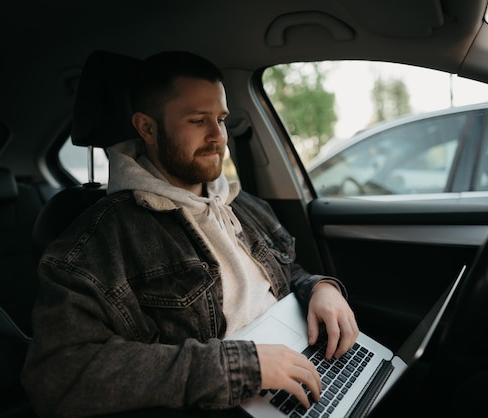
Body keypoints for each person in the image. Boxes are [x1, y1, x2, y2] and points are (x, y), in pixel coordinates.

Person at [21, 50, 359, 418]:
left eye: (221, 119)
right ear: (147, 128)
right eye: (198, 120)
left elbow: (284, 272)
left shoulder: (243, 205)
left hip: (301, 366)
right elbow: (59, 374)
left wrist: (318, 288)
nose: (218, 136)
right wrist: (240, 367)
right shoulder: (98, 240)